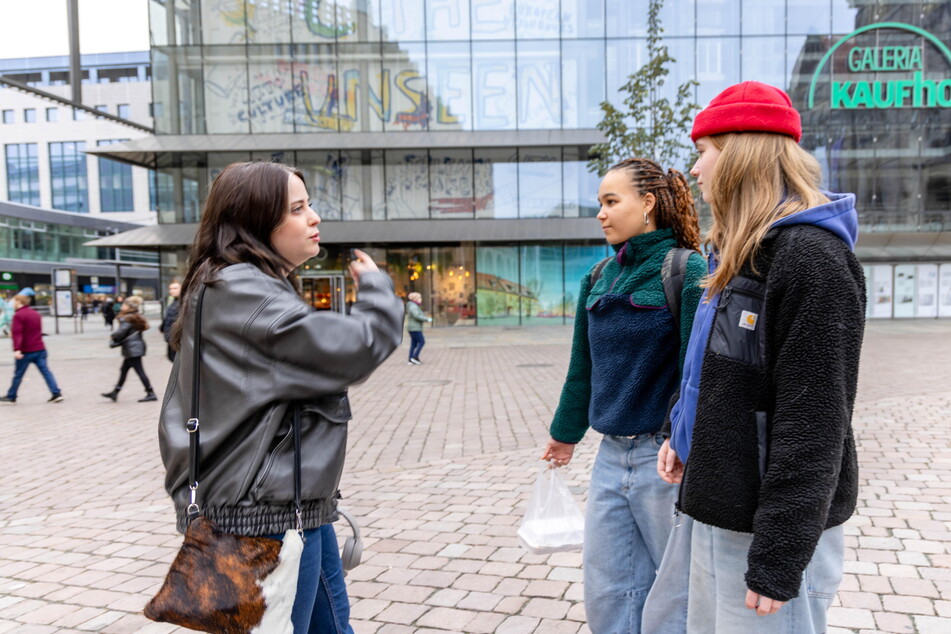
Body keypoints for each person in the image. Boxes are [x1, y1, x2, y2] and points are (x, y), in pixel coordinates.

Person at [158, 161, 403, 634]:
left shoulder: (238, 285)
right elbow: (355, 349)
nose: (313, 217)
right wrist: (376, 291)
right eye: (296, 208)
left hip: (293, 507)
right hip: (264, 518)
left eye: (308, 204)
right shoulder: (242, 290)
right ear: (254, 222)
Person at [657, 82, 865, 634]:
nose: (696, 170)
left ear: (740, 153)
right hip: (720, 510)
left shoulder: (812, 259)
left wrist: (777, 560)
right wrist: (682, 437)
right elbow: (711, 371)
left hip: (768, 534)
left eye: (705, 151)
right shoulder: (736, 257)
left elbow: (815, 423)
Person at [541, 158, 706, 633]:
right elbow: (582, 367)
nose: (602, 213)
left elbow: (696, 372)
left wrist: (684, 440)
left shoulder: (686, 269)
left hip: (665, 458)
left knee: (675, 594)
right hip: (610, 458)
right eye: (601, 204)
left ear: (649, 203)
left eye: (612, 202)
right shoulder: (597, 278)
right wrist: (565, 433)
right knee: (609, 588)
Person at [0, 291, 64, 404]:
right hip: (40, 348)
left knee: (18, 374)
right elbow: (35, 331)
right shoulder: (35, 313)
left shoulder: (18, 315)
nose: (12, 304)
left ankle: (11, 395)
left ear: (19, 301)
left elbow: (18, 333)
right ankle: (56, 393)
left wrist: (17, 349)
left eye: (14, 301)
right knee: (46, 372)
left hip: (26, 351)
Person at [101, 296, 157, 403]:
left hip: (132, 349)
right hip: (134, 347)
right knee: (124, 370)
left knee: (140, 371)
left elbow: (119, 333)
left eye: (124, 305)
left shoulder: (128, 318)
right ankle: (115, 392)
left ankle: (150, 392)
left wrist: (112, 335)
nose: (122, 306)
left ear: (129, 307)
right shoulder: (135, 316)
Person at [405, 291, 431, 365]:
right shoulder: (413, 306)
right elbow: (416, 316)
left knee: (414, 344)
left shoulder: (413, 306)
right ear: (415, 299)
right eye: (420, 298)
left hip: (413, 328)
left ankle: (411, 359)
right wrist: (427, 319)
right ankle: (414, 357)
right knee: (422, 342)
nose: (421, 299)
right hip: (415, 328)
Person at [159, 281, 181, 362]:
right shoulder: (174, 302)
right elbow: (169, 318)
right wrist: (162, 327)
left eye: (175, 288)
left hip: (175, 338)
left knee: (176, 360)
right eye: (170, 289)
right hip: (170, 338)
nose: (172, 291)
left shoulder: (183, 302)